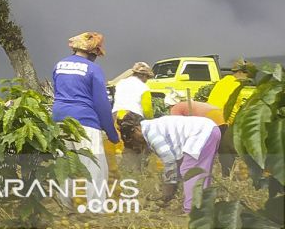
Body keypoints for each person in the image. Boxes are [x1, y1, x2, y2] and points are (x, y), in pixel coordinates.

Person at [52, 32, 119, 207]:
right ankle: (95, 209)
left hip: (59, 120)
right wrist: (111, 133)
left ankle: (64, 206)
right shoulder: (93, 69)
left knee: (63, 165)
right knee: (95, 167)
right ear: (93, 51)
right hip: (85, 121)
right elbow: (101, 103)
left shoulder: (59, 65)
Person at [119, 115, 222, 212]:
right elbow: (175, 163)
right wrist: (169, 192)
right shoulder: (152, 126)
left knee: (190, 171)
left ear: (137, 129)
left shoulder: (152, 134)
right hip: (210, 130)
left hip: (202, 133)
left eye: (132, 138)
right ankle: (202, 207)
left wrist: (168, 190)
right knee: (199, 172)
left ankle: (191, 211)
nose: (135, 144)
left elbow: (170, 162)